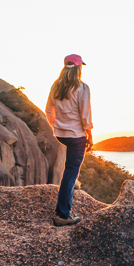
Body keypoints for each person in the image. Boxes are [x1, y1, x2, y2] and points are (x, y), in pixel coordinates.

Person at [45, 53, 93, 226]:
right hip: (76, 135)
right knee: (71, 169)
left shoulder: (56, 86)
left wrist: (56, 126)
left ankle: (73, 183)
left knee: (71, 167)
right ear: (79, 68)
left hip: (60, 134)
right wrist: (90, 135)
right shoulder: (82, 88)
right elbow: (85, 115)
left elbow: (48, 109)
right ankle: (62, 215)